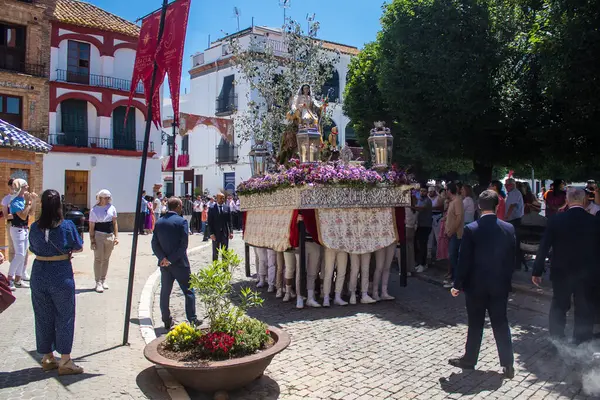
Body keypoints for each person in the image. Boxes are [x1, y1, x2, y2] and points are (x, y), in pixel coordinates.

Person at [450, 190, 516, 379]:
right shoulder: (508, 229)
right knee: (501, 323)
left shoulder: (472, 229)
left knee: (476, 324)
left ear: (479, 206)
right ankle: (508, 364)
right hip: (499, 285)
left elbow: (464, 260)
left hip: (476, 285)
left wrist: (457, 284)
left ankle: (470, 359)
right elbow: (512, 259)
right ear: (497, 206)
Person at [532, 187, 600, 345]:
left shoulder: (556, 220)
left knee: (559, 307)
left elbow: (543, 246)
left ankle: (557, 340)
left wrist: (537, 270)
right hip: (587, 273)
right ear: (584, 201)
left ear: (567, 201)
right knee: (584, 309)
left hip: (561, 271)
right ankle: (581, 342)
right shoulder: (595, 221)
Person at [29, 189, 84, 375]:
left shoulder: (35, 227)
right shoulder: (66, 225)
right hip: (61, 273)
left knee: (42, 315)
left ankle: (47, 356)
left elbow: (32, 246)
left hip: (39, 272)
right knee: (65, 316)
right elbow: (78, 246)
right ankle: (66, 360)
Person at [151, 197, 197, 330]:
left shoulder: (159, 222)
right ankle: (192, 319)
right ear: (177, 207)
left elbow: (154, 243)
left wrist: (162, 258)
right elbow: (183, 245)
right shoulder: (181, 221)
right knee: (189, 291)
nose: (181, 208)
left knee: (165, 292)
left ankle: (166, 319)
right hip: (180, 263)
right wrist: (170, 259)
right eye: (181, 206)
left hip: (164, 265)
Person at [7, 179, 38, 290]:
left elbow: (31, 212)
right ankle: (9, 279)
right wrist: (27, 202)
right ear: (20, 188)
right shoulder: (15, 201)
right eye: (25, 186)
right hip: (17, 229)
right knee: (19, 255)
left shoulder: (22, 200)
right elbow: (23, 216)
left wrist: (33, 201)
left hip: (24, 229)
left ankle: (18, 280)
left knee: (23, 254)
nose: (27, 187)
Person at [88, 189, 118, 293]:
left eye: (107, 197)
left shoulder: (112, 208)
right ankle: (98, 282)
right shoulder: (94, 210)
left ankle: (103, 279)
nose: (105, 200)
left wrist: (116, 236)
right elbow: (91, 226)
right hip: (98, 235)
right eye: (103, 197)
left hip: (109, 235)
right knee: (98, 259)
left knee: (106, 259)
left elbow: (114, 223)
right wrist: (92, 239)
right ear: (99, 198)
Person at [444, 183, 465, 288]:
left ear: (449, 191)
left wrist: (451, 230)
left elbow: (459, 217)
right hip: (451, 233)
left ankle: (458, 281)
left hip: (456, 234)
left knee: (454, 257)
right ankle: (454, 279)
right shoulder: (453, 201)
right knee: (452, 257)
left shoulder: (457, 201)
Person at [504, 178, 525, 270]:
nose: (505, 186)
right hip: (512, 220)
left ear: (511, 185)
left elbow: (512, 206)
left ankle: (516, 265)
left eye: (507, 185)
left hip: (514, 220)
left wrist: (506, 217)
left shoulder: (515, 193)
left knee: (515, 243)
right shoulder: (510, 193)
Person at [207, 193, 234, 261]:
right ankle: (215, 269)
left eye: (223, 198)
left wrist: (231, 232)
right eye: (221, 198)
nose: (222, 200)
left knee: (225, 252)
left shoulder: (226, 208)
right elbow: (210, 222)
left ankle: (225, 270)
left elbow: (230, 221)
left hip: (224, 233)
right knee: (215, 252)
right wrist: (211, 233)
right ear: (217, 199)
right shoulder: (212, 208)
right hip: (215, 234)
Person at [412, 185, 432, 273]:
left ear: (427, 192)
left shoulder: (428, 201)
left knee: (423, 245)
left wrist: (411, 206)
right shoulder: (420, 200)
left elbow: (420, 209)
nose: (422, 192)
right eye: (421, 191)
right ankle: (419, 263)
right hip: (419, 225)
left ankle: (423, 264)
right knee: (418, 244)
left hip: (426, 225)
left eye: (424, 191)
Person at [2, 179, 15, 264]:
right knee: (12, 246)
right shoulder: (6, 199)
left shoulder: (21, 197)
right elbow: (5, 215)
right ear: (10, 186)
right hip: (11, 224)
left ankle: (22, 270)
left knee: (22, 248)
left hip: (22, 225)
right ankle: (12, 269)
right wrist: (17, 215)